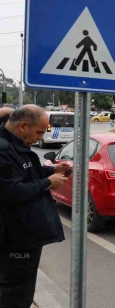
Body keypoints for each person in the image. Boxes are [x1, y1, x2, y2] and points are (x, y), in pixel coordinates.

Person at [0, 105, 70, 307]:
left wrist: (51, 170)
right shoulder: (4, 150)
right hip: (14, 236)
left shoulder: (16, 145)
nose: (41, 137)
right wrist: (48, 183)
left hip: (24, 232)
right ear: (23, 126)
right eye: (39, 132)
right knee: (15, 291)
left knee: (23, 286)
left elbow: (25, 172)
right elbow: (10, 191)